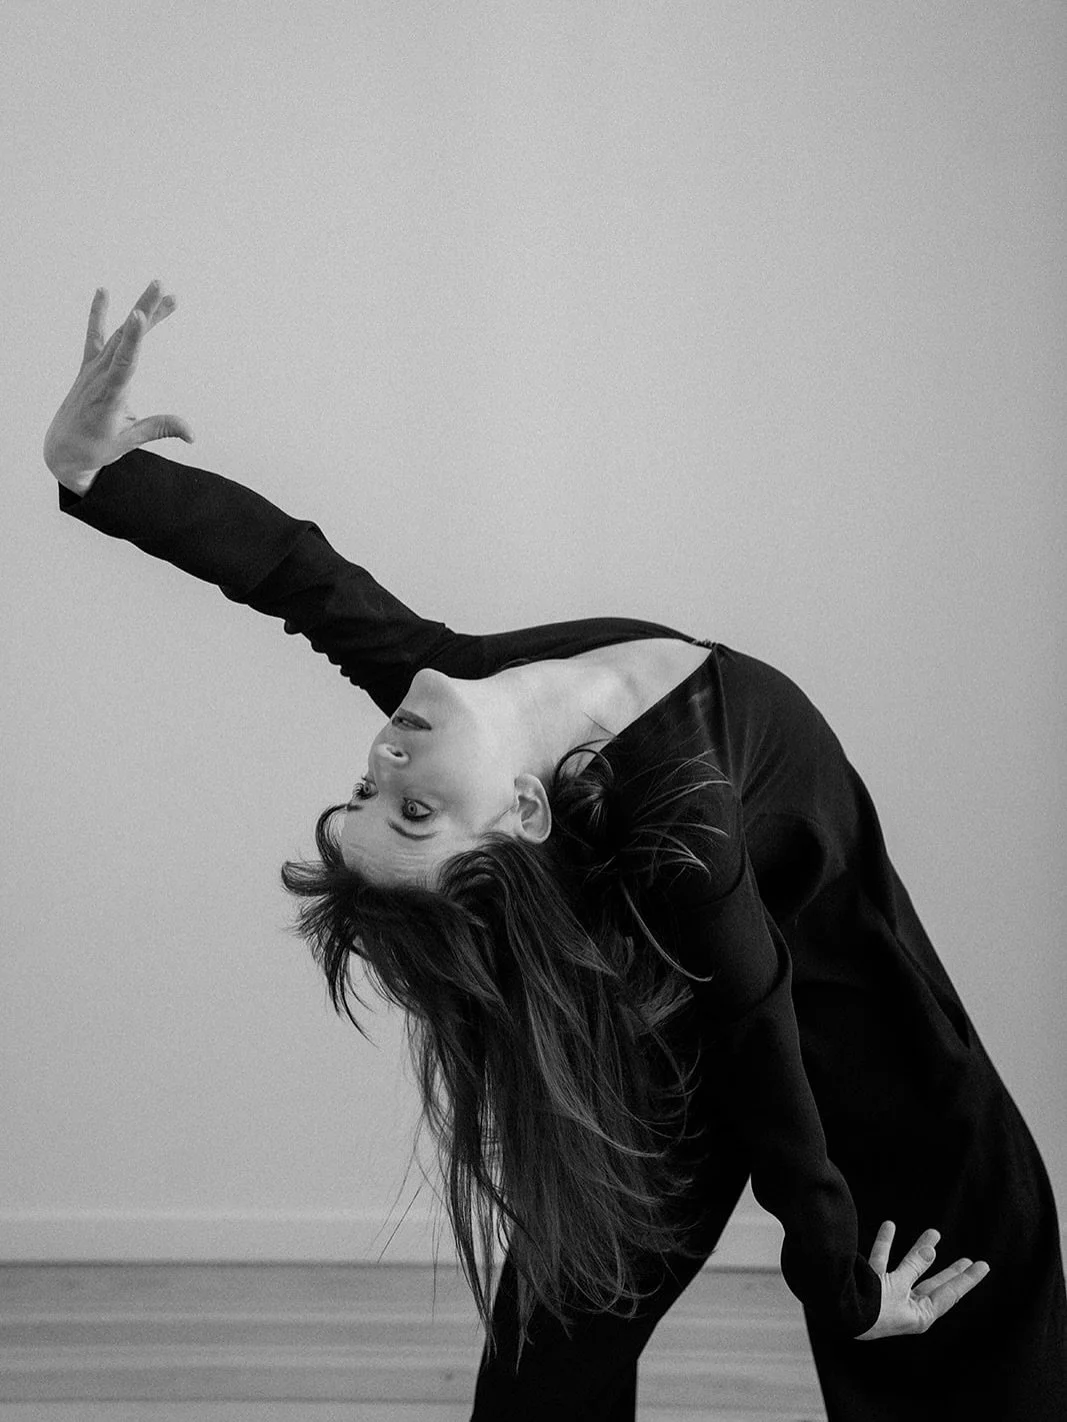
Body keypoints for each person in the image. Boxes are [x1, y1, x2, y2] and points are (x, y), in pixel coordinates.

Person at [43, 282, 1067, 1421]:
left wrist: (101, 474)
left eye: (367, 795)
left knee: (980, 1296)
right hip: (800, 1026)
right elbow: (757, 1037)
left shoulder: (470, 697)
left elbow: (299, 578)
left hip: (768, 1008)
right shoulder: (679, 834)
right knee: (576, 1330)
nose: (383, 764)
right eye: (414, 816)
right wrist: (831, 1284)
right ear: (521, 814)